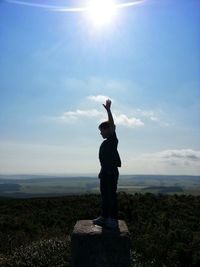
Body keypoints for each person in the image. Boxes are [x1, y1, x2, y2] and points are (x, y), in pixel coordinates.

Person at [93, 99, 121, 229]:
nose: (100, 133)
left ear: (107, 130)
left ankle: (113, 219)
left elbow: (111, 124)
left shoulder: (111, 140)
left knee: (111, 195)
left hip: (110, 172)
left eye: (101, 130)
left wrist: (108, 111)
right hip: (105, 172)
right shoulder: (106, 142)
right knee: (105, 195)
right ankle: (104, 217)